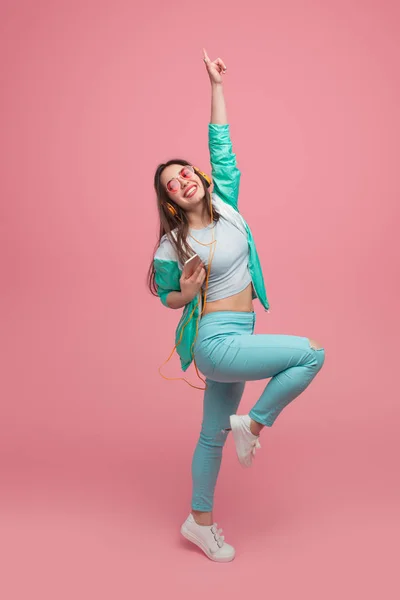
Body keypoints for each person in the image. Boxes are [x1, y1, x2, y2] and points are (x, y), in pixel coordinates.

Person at [147, 49, 325, 563]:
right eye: (170, 185)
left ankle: (198, 522)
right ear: (170, 202)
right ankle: (255, 422)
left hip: (242, 331)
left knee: (210, 436)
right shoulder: (171, 246)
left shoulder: (227, 203)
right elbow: (169, 299)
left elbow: (220, 146)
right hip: (216, 340)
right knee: (310, 354)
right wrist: (185, 283)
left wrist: (216, 87)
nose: (181, 181)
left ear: (200, 177)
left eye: (184, 173)